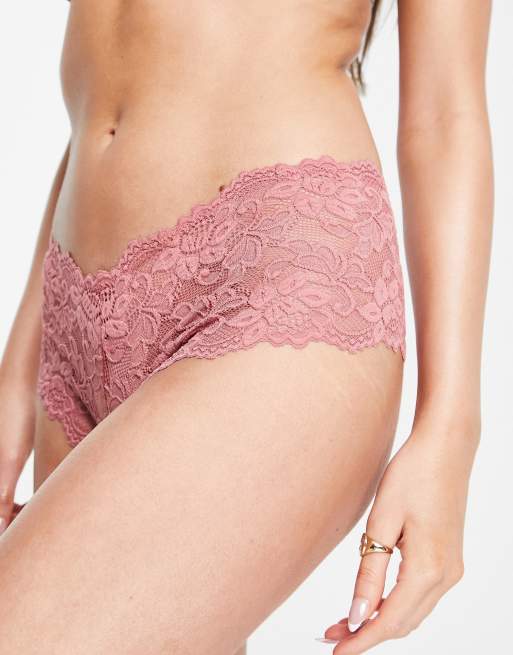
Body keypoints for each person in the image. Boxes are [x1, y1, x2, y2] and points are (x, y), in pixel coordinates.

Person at [0, 1, 493, 653]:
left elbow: (443, 115)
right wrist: (17, 374)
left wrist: (450, 429)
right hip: (74, 306)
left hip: (276, 281)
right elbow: (126, 78)